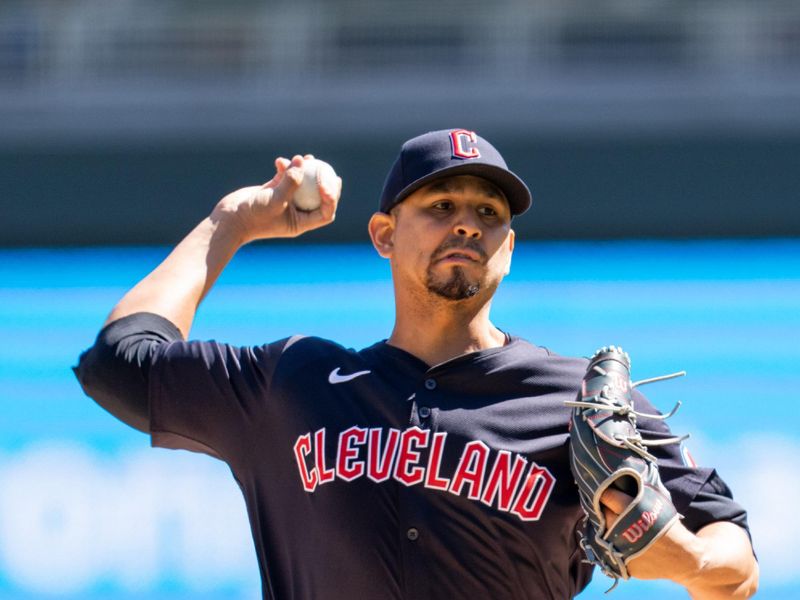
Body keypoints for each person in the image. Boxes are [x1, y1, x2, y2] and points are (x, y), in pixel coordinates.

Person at [74, 129, 758, 599]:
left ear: (508, 248)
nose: (467, 223)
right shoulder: (296, 385)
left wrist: (692, 561)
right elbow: (120, 364)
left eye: (488, 212)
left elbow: (738, 563)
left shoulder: (573, 399)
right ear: (383, 235)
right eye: (440, 204)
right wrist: (234, 221)